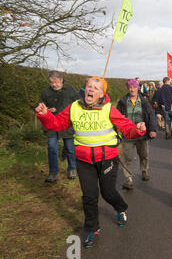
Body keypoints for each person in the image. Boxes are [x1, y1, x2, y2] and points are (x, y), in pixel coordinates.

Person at [35, 76, 147, 248]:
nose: (91, 90)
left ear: (102, 94)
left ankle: (121, 208)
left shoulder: (109, 109)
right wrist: (45, 115)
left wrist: (137, 130)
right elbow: (57, 124)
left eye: (96, 88)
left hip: (107, 159)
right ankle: (92, 228)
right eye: (88, 87)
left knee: (108, 193)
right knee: (89, 196)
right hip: (83, 160)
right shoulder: (74, 108)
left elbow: (126, 128)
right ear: (84, 90)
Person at [38, 70, 78, 182]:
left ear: (61, 80)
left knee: (70, 148)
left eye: (55, 82)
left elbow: (77, 104)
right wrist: (45, 110)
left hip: (67, 124)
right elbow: (40, 105)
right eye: (51, 82)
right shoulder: (45, 92)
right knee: (52, 148)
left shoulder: (70, 90)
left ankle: (72, 168)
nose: (53, 85)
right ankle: (53, 173)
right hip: (51, 124)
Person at [117, 79, 158, 190]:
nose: (132, 89)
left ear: (137, 88)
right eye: (130, 87)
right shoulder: (122, 101)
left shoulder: (144, 101)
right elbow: (117, 118)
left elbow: (151, 115)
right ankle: (129, 179)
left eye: (134, 87)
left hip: (142, 135)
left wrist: (153, 129)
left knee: (144, 155)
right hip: (128, 135)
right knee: (128, 157)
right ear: (128, 88)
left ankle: (144, 170)